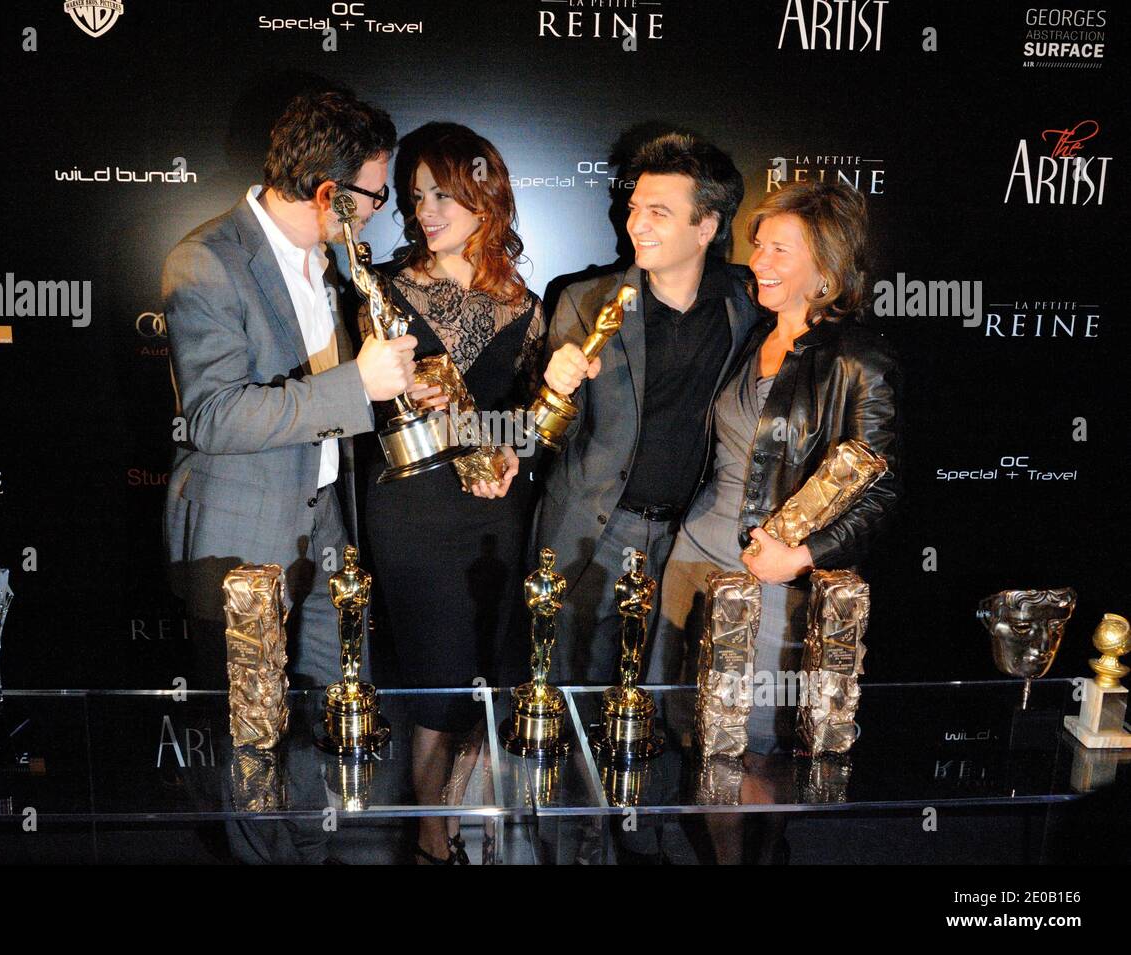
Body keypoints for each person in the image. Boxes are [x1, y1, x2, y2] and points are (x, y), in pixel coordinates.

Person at [162, 89, 417, 692]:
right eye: (373, 194)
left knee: (340, 715)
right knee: (249, 741)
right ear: (330, 193)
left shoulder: (331, 261)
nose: (379, 209)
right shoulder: (206, 260)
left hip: (327, 523)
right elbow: (214, 416)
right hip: (241, 543)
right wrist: (358, 384)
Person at [655, 180, 903, 744]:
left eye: (779, 251)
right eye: (758, 245)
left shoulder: (860, 360)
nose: (759, 261)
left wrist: (800, 557)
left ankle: (758, 835)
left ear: (826, 268)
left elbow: (881, 492)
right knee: (691, 729)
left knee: (751, 743)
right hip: (694, 557)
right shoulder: (753, 333)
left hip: (770, 574)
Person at [357, 124, 544, 864]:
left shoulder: (528, 304)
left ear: (484, 192)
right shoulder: (383, 293)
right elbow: (362, 410)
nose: (425, 210)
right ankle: (432, 842)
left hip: (497, 512)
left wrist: (509, 451)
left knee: (487, 681)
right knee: (436, 683)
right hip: (414, 510)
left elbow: (532, 421)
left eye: (443, 193)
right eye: (414, 197)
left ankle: (456, 823)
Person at [533, 132, 761, 686]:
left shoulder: (746, 301)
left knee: (662, 700)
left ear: (705, 227)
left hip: (691, 540)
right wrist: (555, 389)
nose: (637, 225)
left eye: (659, 213)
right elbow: (543, 435)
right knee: (567, 695)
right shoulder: (587, 302)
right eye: (636, 209)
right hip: (592, 535)